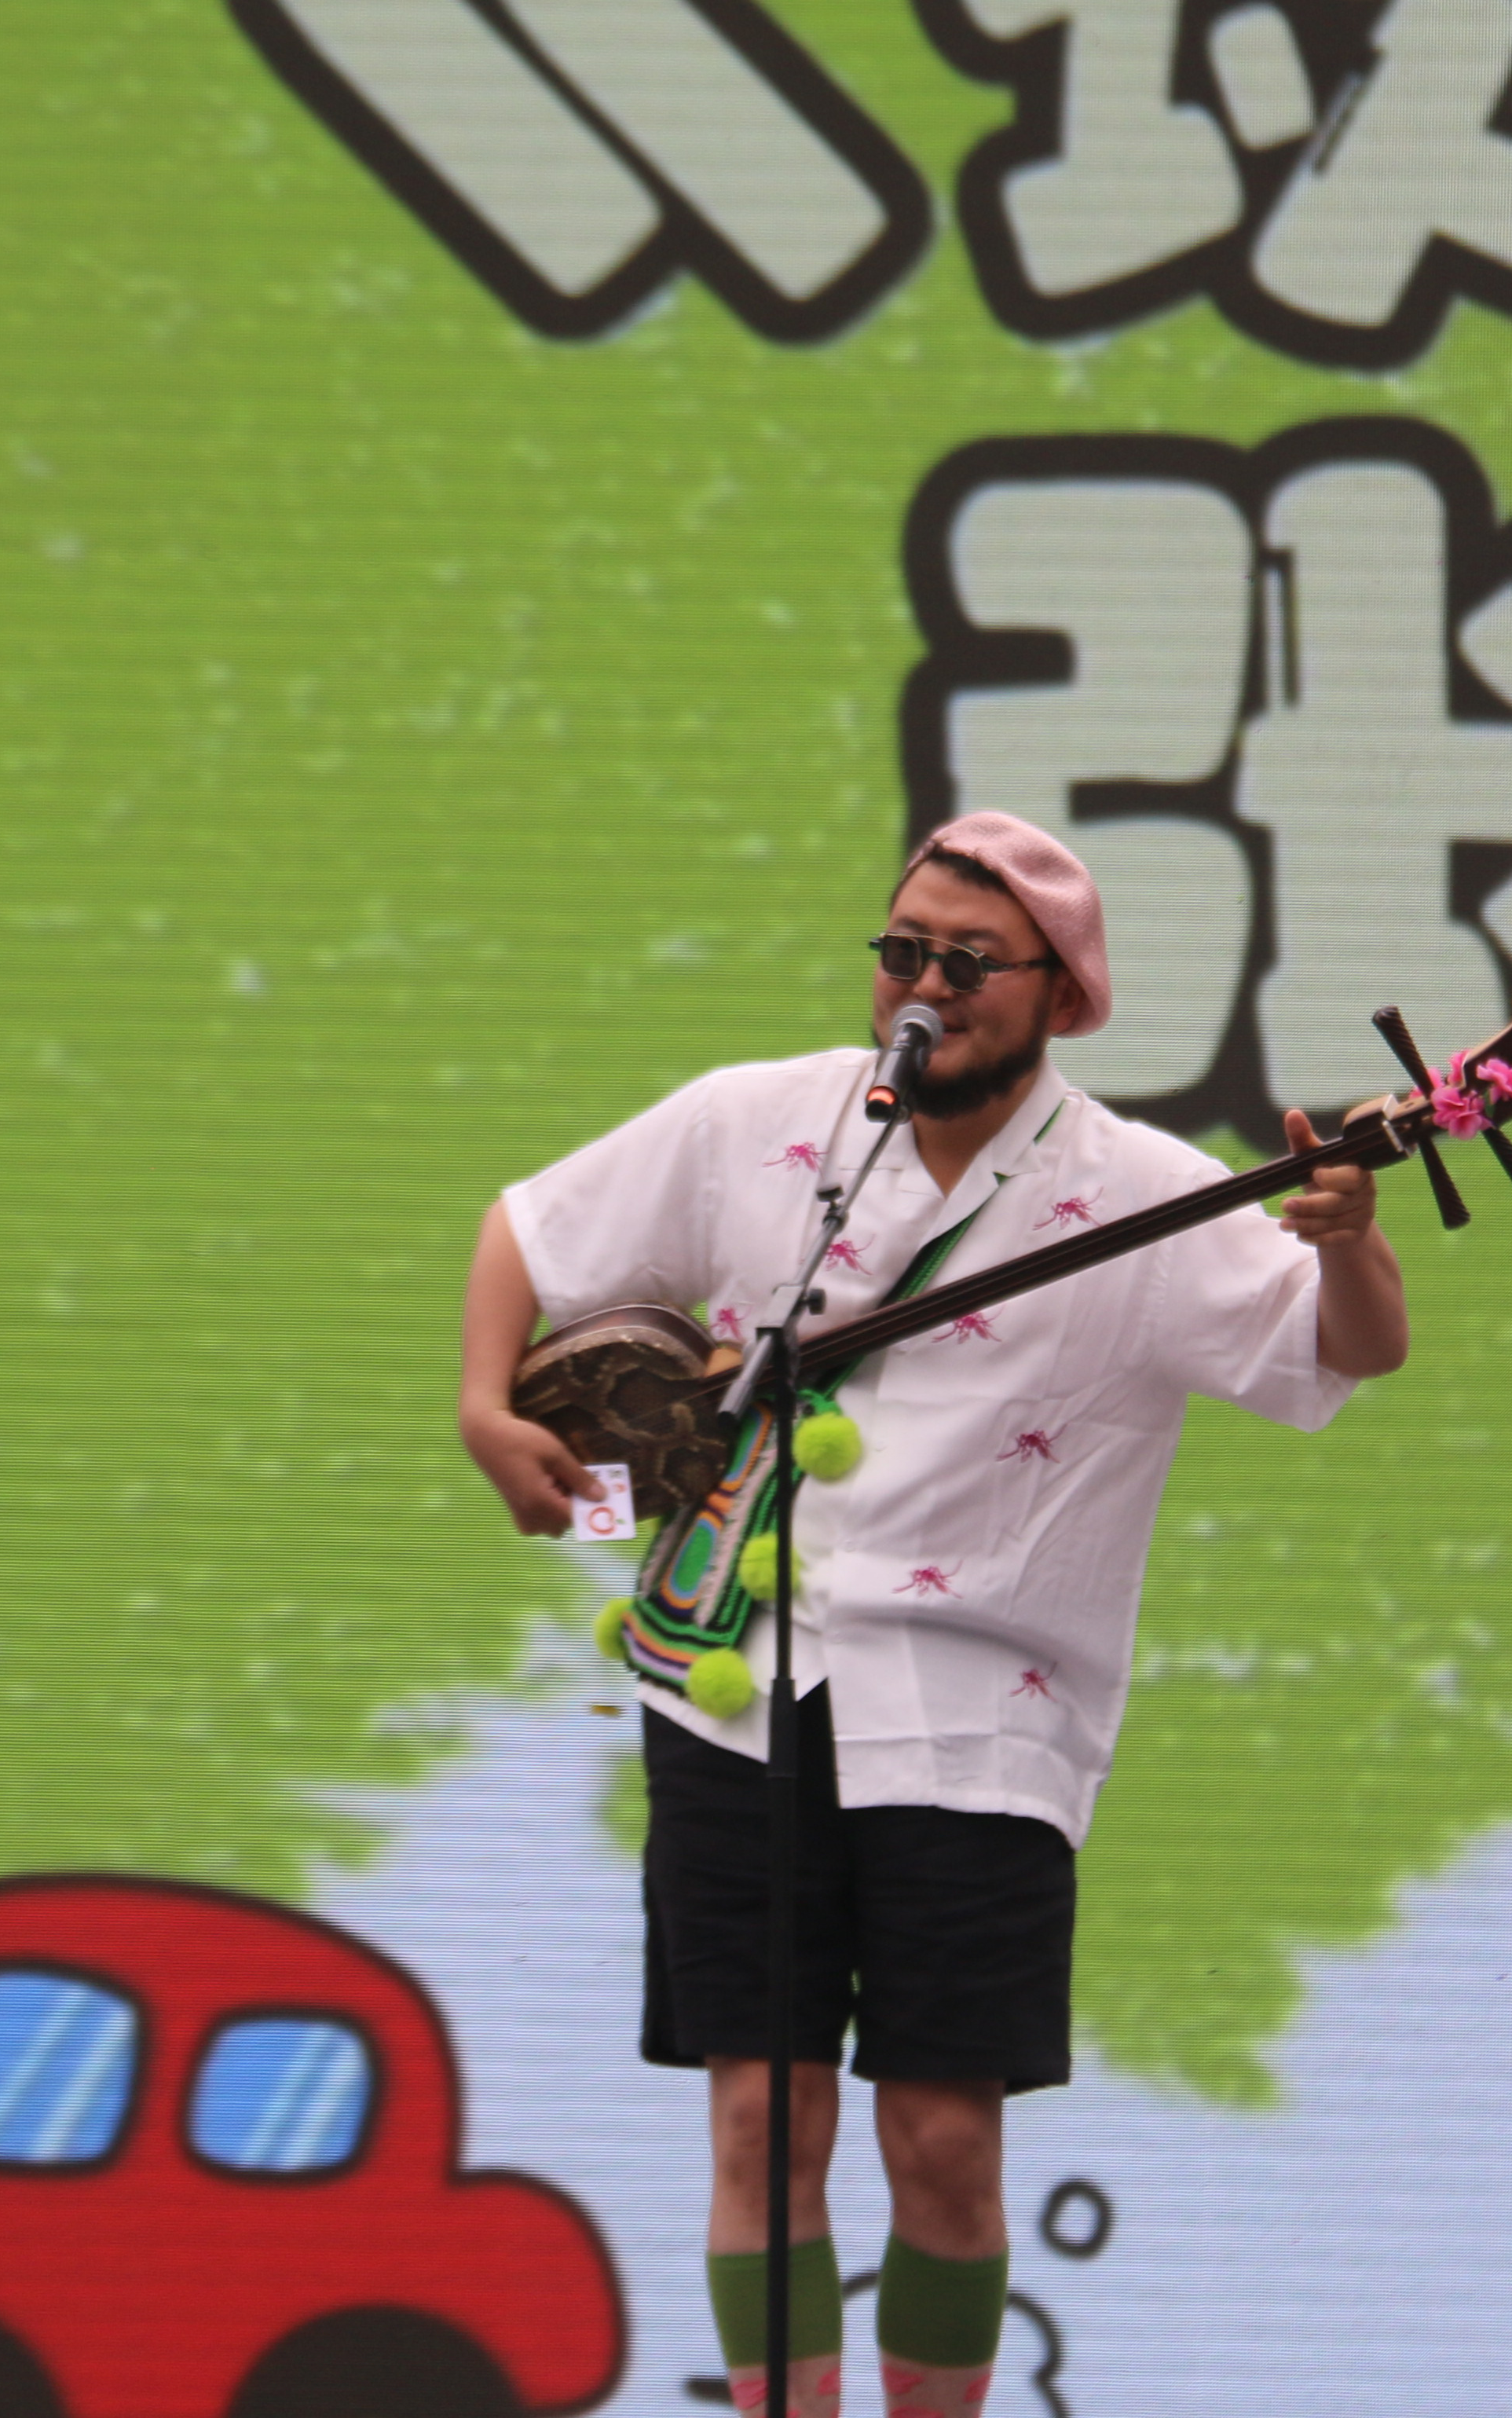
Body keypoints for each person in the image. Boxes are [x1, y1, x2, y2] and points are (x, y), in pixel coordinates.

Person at [456, 813, 1408, 2418]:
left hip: (981, 1719)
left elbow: (1341, 1350)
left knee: (946, 2138)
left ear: (1064, 994)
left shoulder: (1142, 1193)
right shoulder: (761, 1120)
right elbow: (533, 1229)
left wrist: (1357, 1242)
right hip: (737, 1682)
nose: (928, 985)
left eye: (972, 962)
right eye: (905, 951)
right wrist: (487, 1406)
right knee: (762, 2119)